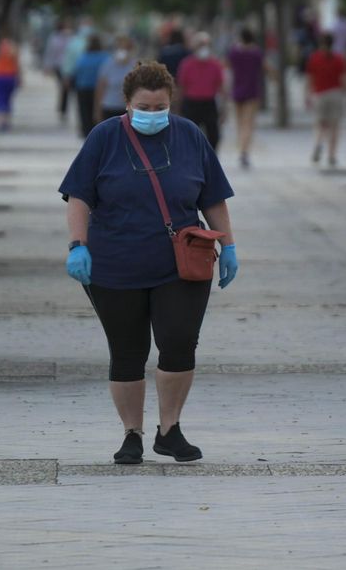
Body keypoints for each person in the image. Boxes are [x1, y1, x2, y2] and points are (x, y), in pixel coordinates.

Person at [60, 61, 239, 464]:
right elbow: (79, 197)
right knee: (127, 351)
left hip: (180, 264)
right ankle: (131, 433)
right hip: (114, 264)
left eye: (160, 106)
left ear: (171, 102)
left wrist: (227, 246)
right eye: (145, 106)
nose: (153, 114)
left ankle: (170, 429)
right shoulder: (104, 138)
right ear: (126, 104)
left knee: (179, 342)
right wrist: (77, 245)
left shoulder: (190, 136)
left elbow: (212, 197)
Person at [305, 32, 346, 166]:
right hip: (335, 94)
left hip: (320, 94)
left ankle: (318, 143)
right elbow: (344, 78)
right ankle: (331, 155)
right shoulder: (339, 58)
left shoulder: (314, 58)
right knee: (334, 127)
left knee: (320, 125)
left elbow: (310, 79)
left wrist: (307, 95)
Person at [176, 32, 225, 150]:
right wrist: (178, 106)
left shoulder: (215, 64)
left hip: (209, 102)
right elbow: (181, 86)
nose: (204, 48)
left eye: (206, 45)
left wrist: (223, 108)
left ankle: (211, 157)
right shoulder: (187, 64)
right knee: (190, 134)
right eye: (201, 45)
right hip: (192, 103)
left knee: (214, 135)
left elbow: (221, 87)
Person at [226, 28, 265, 169]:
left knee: (239, 123)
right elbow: (263, 67)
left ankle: (241, 149)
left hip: (237, 91)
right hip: (252, 91)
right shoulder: (256, 53)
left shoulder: (234, 52)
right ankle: (244, 152)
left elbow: (228, 65)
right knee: (249, 124)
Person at [71, 34, 109, 138]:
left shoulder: (83, 56)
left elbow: (76, 70)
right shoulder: (105, 57)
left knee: (84, 111)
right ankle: (96, 130)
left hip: (82, 87)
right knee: (96, 110)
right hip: (98, 89)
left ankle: (85, 131)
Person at [95, 36, 138, 121]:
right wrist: (97, 110)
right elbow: (100, 88)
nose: (123, 51)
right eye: (120, 47)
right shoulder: (108, 64)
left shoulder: (135, 65)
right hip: (109, 107)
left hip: (127, 109)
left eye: (126, 48)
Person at [0, 38, 23, 132]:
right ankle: (6, 122)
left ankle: (0, 123)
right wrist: (20, 78)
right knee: (7, 100)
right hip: (9, 77)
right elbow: (17, 64)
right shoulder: (13, 48)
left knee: (0, 100)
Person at [43, 20, 74, 119]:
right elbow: (50, 51)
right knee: (63, 87)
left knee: (66, 88)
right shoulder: (54, 38)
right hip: (59, 66)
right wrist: (47, 65)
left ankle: (63, 108)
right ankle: (62, 108)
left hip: (70, 66)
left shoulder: (71, 37)